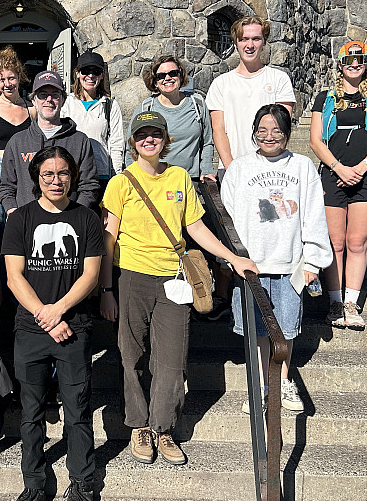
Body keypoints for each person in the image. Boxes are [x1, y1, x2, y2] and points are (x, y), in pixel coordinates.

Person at [99, 112, 257, 466]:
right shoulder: (121, 183)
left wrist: (233, 257)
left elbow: (197, 227)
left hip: (173, 278)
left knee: (171, 360)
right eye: (142, 135)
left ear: (166, 139)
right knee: (131, 355)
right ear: (132, 141)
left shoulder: (179, 177)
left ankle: (164, 428)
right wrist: (106, 288)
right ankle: (139, 425)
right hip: (131, 277)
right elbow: (108, 240)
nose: (149, 140)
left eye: (155, 134)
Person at [2, 146, 103, 501]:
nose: (56, 180)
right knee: (30, 412)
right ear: (36, 179)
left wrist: (59, 312)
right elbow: (14, 276)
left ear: (73, 176)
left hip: (73, 328)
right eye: (48, 174)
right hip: (30, 331)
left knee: (78, 410)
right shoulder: (20, 219)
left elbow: (90, 274)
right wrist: (45, 317)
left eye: (62, 173)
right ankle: (34, 483)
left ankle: (81, 484)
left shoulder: (86, 219)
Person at [221, 105, 332, 413]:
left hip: (289, 262)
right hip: (251, 265)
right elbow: (228, 215)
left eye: (277, 131)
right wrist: (232, 257)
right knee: (257, 330)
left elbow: (313, 214)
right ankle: (260, 385)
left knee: (284, 329)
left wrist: (313, 260)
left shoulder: (302, 167)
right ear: (254, 131)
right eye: (263, 130)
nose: (269, 137)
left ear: (287, 134)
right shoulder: (240, 168)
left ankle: (282, 381)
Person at [309, 41, 367, 329]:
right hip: (333, 174)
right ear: (340, 63)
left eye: (360, 60)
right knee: (335, 243)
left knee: (357, 242)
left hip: (365, 176)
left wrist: (362, 167)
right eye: (349, 60)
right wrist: (338, 168)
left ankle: (351, 303)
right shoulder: (326, 98)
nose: (354, 65)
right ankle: (334, 301)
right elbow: (316, 141)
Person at [0, 70, 100, 216]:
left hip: (67, 222)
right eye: (42, 95)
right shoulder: (17, 142)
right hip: (27, 222)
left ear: (63, 100)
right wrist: (15, 214)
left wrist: (75, 215)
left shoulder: (79, 141)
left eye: (55, 95)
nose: (49, 100)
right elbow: (6, 187)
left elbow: (89, 186)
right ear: (33, 100)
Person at [206, 15, 296, 173]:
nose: (249, 45)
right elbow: (218, 129)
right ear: (236, 43)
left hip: (272, 167)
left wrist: (270, 163)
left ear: (264, 42)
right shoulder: (221, 84)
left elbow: (282, 127)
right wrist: (231, 167)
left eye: (256, 39)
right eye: (243, 39)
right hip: (231, 167)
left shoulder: (279, 79)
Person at [126, 54, 215, 183]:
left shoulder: (197, 104)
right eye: (161, 76)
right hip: (154, 179)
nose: (168, 78)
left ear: (181, 75)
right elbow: (131, 146)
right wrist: (132, 177)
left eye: (173, 73)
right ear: (155, 82)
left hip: (189, 179)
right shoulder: (146, 108)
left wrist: (206, 170)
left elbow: (207, 142)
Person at [0, 46, 34, 232]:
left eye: (11, 78)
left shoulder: (32, 109)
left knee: (24, 217)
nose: (7, 84)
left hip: (25, 168)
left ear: (19, 77)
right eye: (1, 79)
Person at [60, 51, 124, 197]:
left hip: (100, 174)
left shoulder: (110, 105)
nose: (90, 76)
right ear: (77, 73)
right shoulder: (66, 103)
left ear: (102, 75)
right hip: (71, 174)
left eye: (95, 71)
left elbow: (116, 144)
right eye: (85, 71)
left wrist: (116, 177)